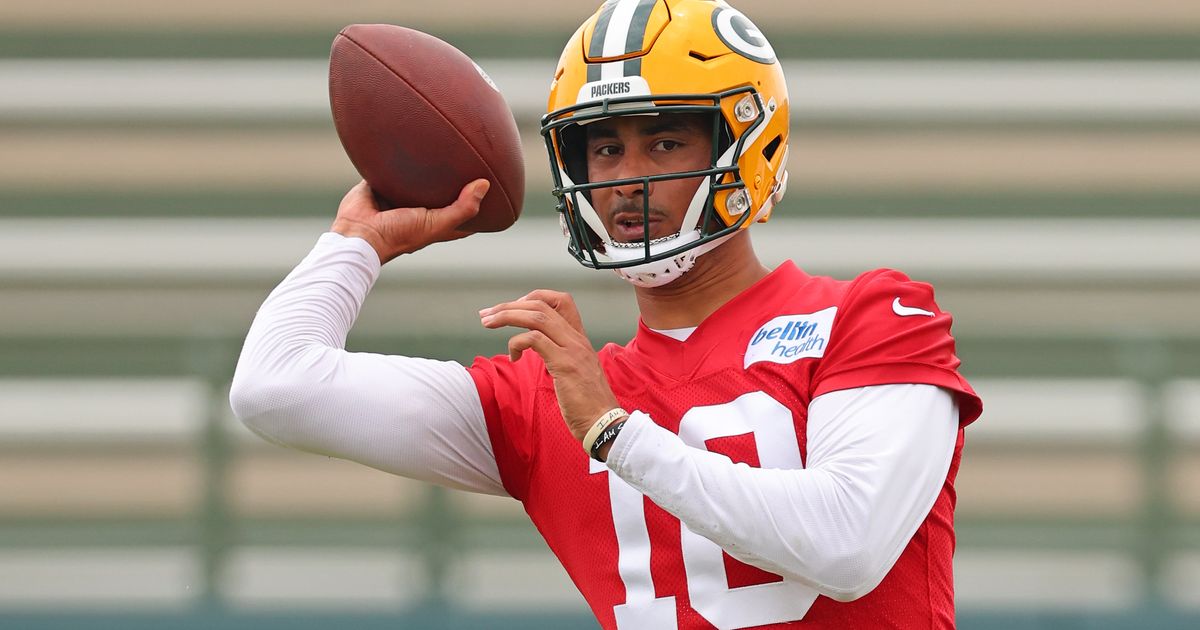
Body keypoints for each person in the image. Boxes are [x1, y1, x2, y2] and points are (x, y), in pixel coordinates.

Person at [230, 0, 982, 627]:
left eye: (663, 141)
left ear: (747, 147)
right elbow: (276, 389)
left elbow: (846, 546)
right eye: (603, 150)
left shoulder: (875, 313)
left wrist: (615, 434)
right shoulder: (555, 395)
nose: (626, 180)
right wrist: (355, 245)